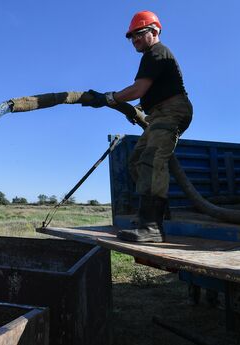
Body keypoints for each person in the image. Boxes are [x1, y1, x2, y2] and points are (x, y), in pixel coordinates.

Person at [83, 10, 193, 243]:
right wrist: (136, 109)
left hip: (172, 111)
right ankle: (153, 215)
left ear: (154, 31)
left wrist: (109, 98)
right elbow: (147, 94)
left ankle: (152, 226)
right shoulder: (153, 56)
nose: (134, 40)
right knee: (137, 160)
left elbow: (138, 89)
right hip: (159, 112)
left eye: (139, 34)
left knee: (152, 159)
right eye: (131, 36)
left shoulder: (157, 52)